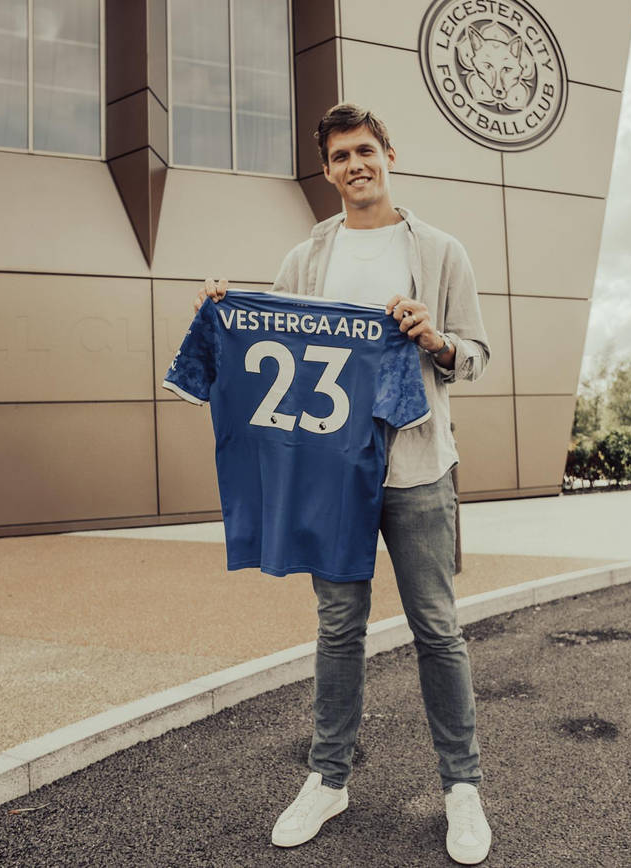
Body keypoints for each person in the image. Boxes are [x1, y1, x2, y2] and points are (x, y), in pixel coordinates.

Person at [195, 103, 492, 865]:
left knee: (437, 628)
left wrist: (438, 339)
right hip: (330, 476)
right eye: (339, 156)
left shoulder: (441, 249)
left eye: (364, 149)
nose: (354, 164)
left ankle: (461, 786)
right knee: (336, 632)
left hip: (419, 468)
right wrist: (224, 315)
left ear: (388, 154)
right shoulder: (305, 259)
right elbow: (276, 347)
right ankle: (328, 779)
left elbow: (478, 353)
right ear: (326, 171)